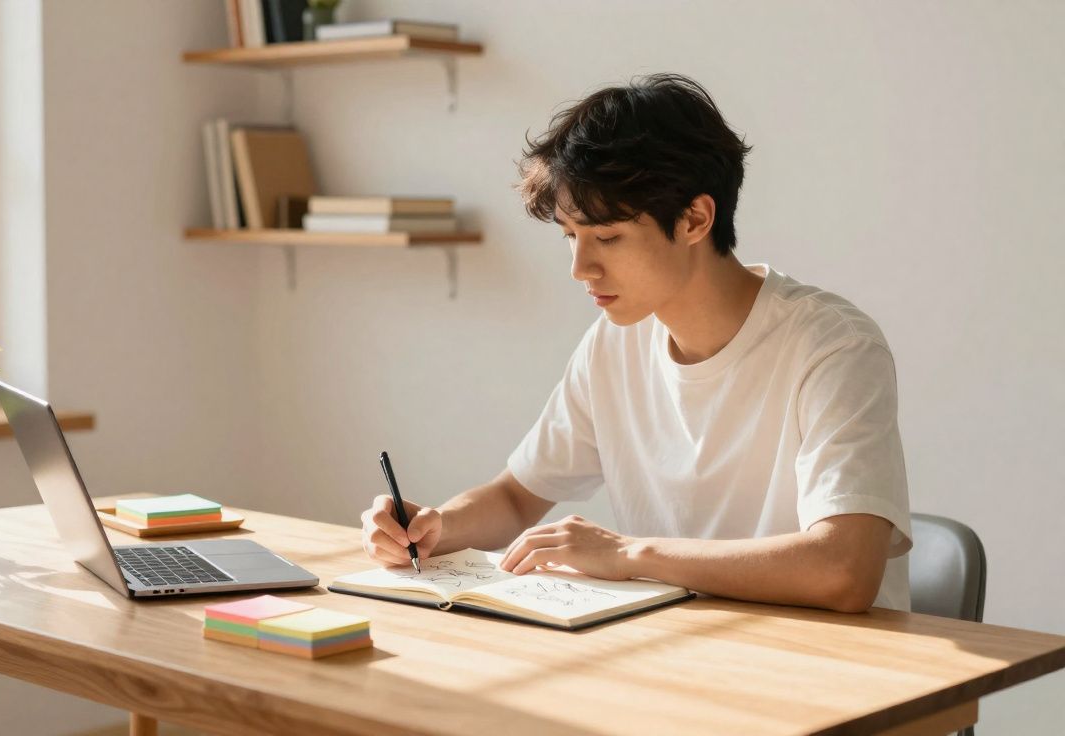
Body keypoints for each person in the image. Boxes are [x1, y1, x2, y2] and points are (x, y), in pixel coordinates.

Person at [359, 73, 912, 613]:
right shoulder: (614, 343)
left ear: (695, 219)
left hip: (827, 659)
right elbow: (515, 496)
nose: (580, 267)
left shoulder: (833, 347)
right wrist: (434, 527)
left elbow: (844, 569)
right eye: (570, 236)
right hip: (672, 646)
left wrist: (627, 554)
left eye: (607, 236)